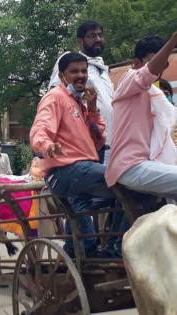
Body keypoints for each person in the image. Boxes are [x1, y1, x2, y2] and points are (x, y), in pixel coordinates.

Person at [30, 52, 115, 257]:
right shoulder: (56, 97)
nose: (81, 75)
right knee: (124, 181)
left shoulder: (81, 103)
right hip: (67, 171)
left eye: (84, 71)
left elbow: (98, 140)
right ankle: (117, 248)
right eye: (74, 71)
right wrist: (47, 146)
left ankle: (78, 252)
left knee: (88, 222)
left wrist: (93, 109)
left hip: (80, 173)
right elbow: (40, 129)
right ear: (62, 76)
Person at [106, 32, 177, 197]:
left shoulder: (156, 93)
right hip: (129, 166)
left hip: (150, 164)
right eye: (156, 61)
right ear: (137, 63)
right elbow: (147, 73)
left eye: (164, 64)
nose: (161, 69)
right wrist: (173, 40)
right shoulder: (128, 79)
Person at [49, 20, 114, 164]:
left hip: (108, 143)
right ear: (80, 41)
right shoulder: (70, 62)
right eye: (92, 36)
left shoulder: (103, 70)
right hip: (84, 145)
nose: (98, 39)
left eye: (100, 35)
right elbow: (55, 97)